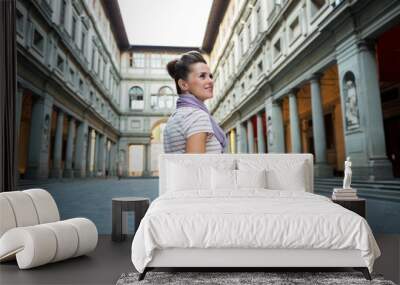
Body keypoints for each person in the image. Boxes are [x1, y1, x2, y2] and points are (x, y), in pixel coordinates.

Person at [163, 51, 227, 153]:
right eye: (202, 76)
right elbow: (196, 167)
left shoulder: (175, 117)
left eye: (210, 76)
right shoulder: (197, 116)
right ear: (183, 85)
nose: (210, 81)